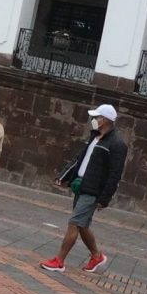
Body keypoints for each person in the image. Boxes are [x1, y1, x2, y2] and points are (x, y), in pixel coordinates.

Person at [40, 104, 129, 274]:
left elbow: (114, 174)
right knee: (82, 225)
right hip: (81, 185)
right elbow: (79, 159)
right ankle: (96, 256)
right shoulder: (94, 138)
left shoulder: (117, 144)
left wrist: (105, 199)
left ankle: (59, 261)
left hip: (93, 190)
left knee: (74, 223)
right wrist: (64, 176)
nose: (94, 120)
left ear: (105, 120)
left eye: (96, 118)